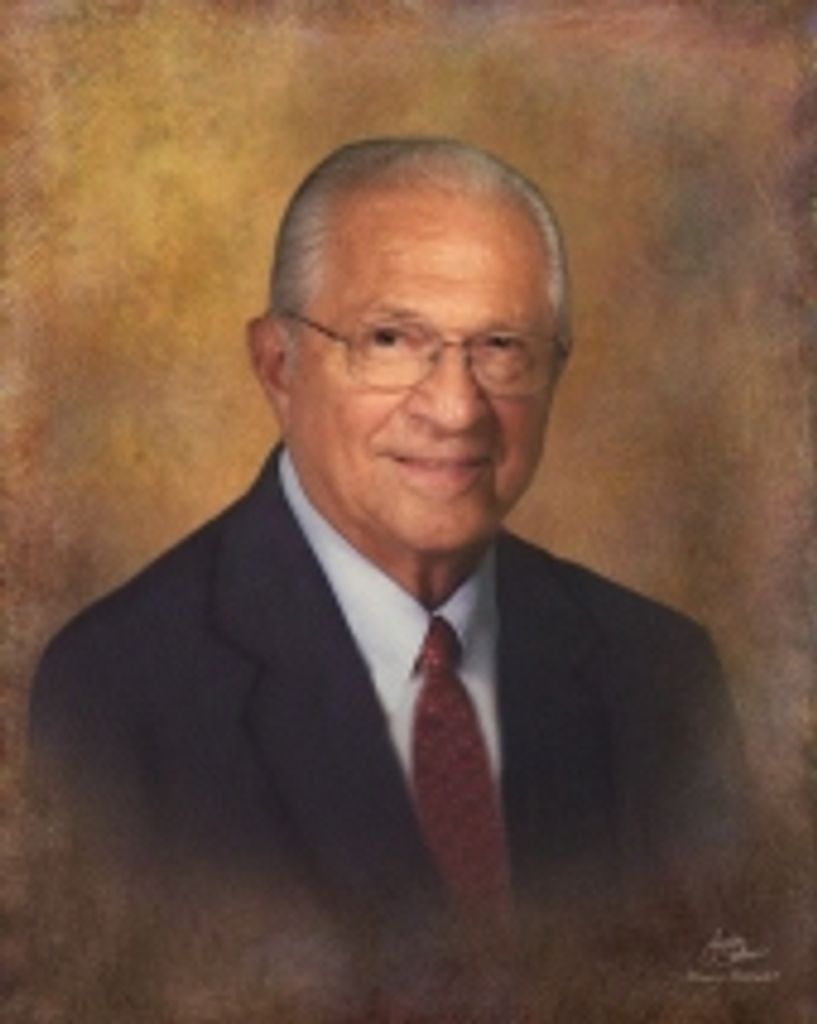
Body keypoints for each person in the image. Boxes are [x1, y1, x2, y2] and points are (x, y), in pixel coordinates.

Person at [29, 138, 750, 1020]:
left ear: (555, 370)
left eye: (501, 347)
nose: (455, 408)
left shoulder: (664, 675)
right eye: (390, 341)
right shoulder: (115, 692)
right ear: (277, 365)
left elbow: (733, 989)